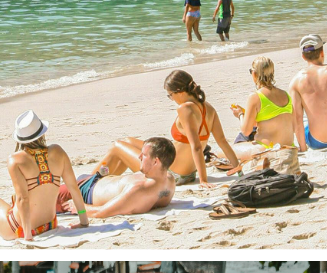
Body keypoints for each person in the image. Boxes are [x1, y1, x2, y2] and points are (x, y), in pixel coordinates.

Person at [0, 110, 89, 240]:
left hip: (18, 229)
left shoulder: (15, 160)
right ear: (42, 133)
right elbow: (73, 188)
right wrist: (83, 221)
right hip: (49, 224)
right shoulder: (58, 151)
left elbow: (23, 199)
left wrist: (27, 236)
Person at [94, 71, 242, 188]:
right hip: (188, 173)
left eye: (170, 95)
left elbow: (196, 147)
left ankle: (88, 183)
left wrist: (203, 180)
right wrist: (238, 168)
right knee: (127, 142)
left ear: (180, 91)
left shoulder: (185, 109)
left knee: (117, 147)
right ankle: (102, 180)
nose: (171, 99)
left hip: (170, 172)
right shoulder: (208, 107)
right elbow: (222, 141)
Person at [57, 137, 178, 218]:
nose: (139, 156)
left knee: (40, 197)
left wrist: (78, 207)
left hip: (81, 191)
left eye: (144, 155)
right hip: (95, 180)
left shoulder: (139, 189)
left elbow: (101, 212)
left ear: (156, 161)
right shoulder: (169, 179)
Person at [228, 56, 296, 153]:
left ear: (254, 74)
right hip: (288, 147)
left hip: (266, 148)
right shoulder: (286, 95)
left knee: (223, 152)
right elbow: (292, 127)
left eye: (250, 71)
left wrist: (240, 114)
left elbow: (246, 130)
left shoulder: (255, 97)